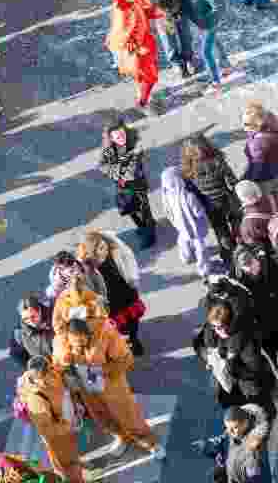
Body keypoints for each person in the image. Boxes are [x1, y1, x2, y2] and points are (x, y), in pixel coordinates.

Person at [54, 317, 161, 459]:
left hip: (112, 386)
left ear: (88, 335)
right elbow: (56, 364)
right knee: (103, 418)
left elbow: (126, 359)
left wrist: (102, 370)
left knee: (128, 416)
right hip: (87, 390)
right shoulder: (61, 342)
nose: (79, 346)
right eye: (75, 343)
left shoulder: (105, 335)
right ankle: (122, 437)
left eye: (82, 342)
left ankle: (150, 443)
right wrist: (64, 367)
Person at [194, 301, 276, 414]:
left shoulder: (245, 342)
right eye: (214, 327)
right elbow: (204, 342)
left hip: (251, 387)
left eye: (220, 327)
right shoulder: (219, 333)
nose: (218, 331)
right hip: (233, 381)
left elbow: (257, 372)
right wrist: (213, 362)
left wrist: (234, 368)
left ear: (230, 323)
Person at [15, 356, 85, 482]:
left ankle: (74, 471)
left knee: (71, 458)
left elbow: (61, 389)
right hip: (58, 434)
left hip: (64, 423)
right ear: (40, 374)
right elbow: (48, 429)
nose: (51, 370)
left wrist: (74, 406)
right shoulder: (36, 398)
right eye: (48, 370)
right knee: (66, 462)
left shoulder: (46, 373)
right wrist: (66, 426)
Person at [78, 231, 145, 356]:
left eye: (105, 246)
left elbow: (128, 262)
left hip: (126, 293)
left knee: (133, 320)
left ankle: (134, 341)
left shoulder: (115, 253)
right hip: (110, 303)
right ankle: (125, 344)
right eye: (101, 248)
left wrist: (133, 280)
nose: (106, 249)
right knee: (119, 326)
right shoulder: (87, 268)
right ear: (93, 251)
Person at [98, 116, 157, 249]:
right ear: (111, 137)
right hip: (122, 185)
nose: (121, 137)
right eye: (117, 136)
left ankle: (149, 235)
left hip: (137, 182)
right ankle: (143, 226)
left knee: (143, 208)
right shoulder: (108, 150)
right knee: (129, 208)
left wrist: (123, 167)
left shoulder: (134, 142)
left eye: (122, 133)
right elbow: (102, 166)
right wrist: (118, 171)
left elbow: (134, 166)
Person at [106, 0, 163, 115]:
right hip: (137, 52)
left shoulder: (132, 2)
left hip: (145, 45)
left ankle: (143, 96)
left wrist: (159, 12)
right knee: (149, 77)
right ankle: (142, 102)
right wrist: (136, 47)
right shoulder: (122, 13)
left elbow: (143, 13)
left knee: (146, 77)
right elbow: (119, 37)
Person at [178, 0, 232, 96]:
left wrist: (206, 23)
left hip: (209, 22)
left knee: (206, 52)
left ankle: (216, 82)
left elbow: (219, 6)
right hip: (204, 20)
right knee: (215, 40)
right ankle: (226, 65)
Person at [134, 0, 193, 79]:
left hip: (177, 4)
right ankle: (177, 64)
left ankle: (188, 59)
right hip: (160, 11)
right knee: (168, 39)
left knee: (185, 35)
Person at [183, 134, 242, 257]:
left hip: (209, 204)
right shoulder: (217, 160)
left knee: (220, 228)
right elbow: (231, 180)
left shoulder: (190, 168)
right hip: (226, 198)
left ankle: (227, 252)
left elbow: (190, 189)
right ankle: (241, 243)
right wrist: (236, 190)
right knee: (235, 219)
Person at [159, 167, 214, 278]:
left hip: (181, 226)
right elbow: (198, 212)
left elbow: (167, 211)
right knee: (200, 246)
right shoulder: (189, 196)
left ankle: (186, 256)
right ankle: (203, 268)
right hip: (195, 227)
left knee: (182, 240)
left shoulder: (167, 196)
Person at [197, 405, 273, 483]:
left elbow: (256, 474)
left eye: (235, 427)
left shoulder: (255, 443)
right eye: (228, 428)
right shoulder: (233, 435)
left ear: (245, 423)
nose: (230, 432)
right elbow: (226, 456)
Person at [8, 295, 55, 369]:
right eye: (25, 319)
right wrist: (32, 369)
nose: (31, 321)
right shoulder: (19, 333)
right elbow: (16, 353)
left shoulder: (55, 316)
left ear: (39, 311)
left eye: (33, 316)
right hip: (46, 370)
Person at [243, 103, 278, 197]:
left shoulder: (258, 143)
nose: (244, 128)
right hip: (275, 167)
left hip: (266, 176)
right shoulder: (272, 122)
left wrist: (251, 180)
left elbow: (257, 166)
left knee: (269, 198)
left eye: (246, 124)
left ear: (257, 124)